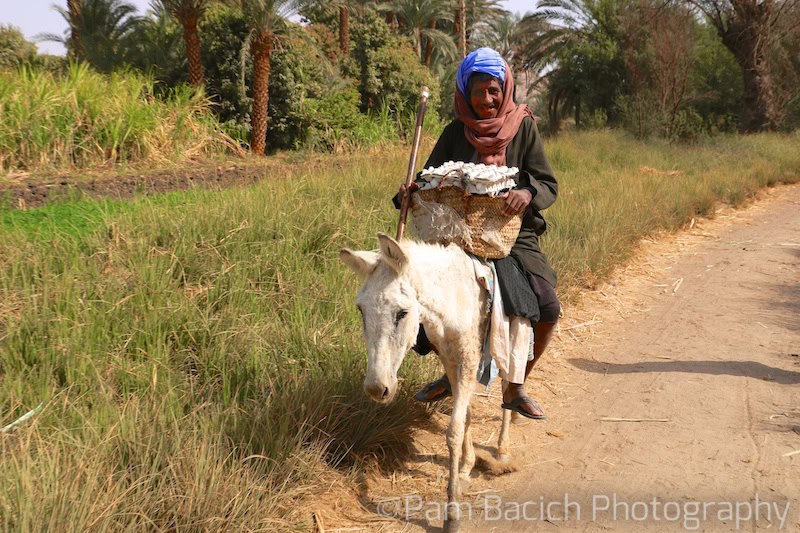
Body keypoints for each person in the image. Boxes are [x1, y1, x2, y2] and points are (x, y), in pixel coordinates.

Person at [397, 47, 560, 420]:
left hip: (512, 235)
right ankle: (452, 375)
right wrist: (407, 193)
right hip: (457, 233)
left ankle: (515, 386)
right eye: (478, 91)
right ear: (464, 92)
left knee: (546, 305)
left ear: (506, 88)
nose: (487, 100)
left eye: (494, 90)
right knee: (427, 305)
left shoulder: (524, 127)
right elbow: (427, 178)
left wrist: (527, 192)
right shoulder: (457, 131)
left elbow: (547, 182)